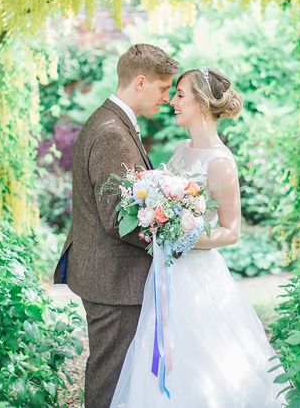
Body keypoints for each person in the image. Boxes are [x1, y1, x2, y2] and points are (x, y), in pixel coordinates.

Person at [110, 67, 288, 407]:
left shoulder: (221, 162)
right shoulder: (181, 148)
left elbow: (230, 231)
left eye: (179, 94)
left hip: (199, 279)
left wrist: (181, 234)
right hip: (165, 275)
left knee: (202, 358)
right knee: (158, 350)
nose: (172, 102)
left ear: (202, 103)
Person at [53, 43, 180, 408]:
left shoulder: (114, 122)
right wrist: (172, 240)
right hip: (113, 278)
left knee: (121, 372)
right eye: (162, 89)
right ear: (140, 82)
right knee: (111, 376)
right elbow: (117, 218)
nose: (167, 98)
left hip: (110, 273)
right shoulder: (111, 131)